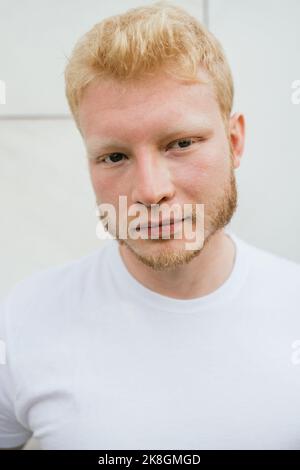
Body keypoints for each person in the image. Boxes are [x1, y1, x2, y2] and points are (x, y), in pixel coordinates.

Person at [1, 1, 300, 450]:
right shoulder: (20, 323)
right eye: (115, 156)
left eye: (181, 143)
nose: (150, 189)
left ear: (235, 142)